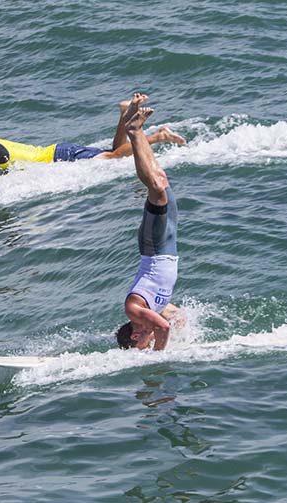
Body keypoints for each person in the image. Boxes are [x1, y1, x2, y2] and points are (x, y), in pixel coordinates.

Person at [0, 94, 186, 186]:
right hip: (58, 150)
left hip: (59, 156)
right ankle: (125, 113)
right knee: (113, 151)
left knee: (114, 157)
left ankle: (158, 135)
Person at [115, 95, 183, 351]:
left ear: (135, 338)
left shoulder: (134, 310)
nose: (150, 340)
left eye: (145, 344)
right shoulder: (151, 310)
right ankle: (136, 127)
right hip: (169, 247)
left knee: (156, 188)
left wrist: (158, 357)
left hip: (155, 248)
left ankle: (133, 130)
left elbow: (163, 328)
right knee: (161, 180)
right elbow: (174, 318)